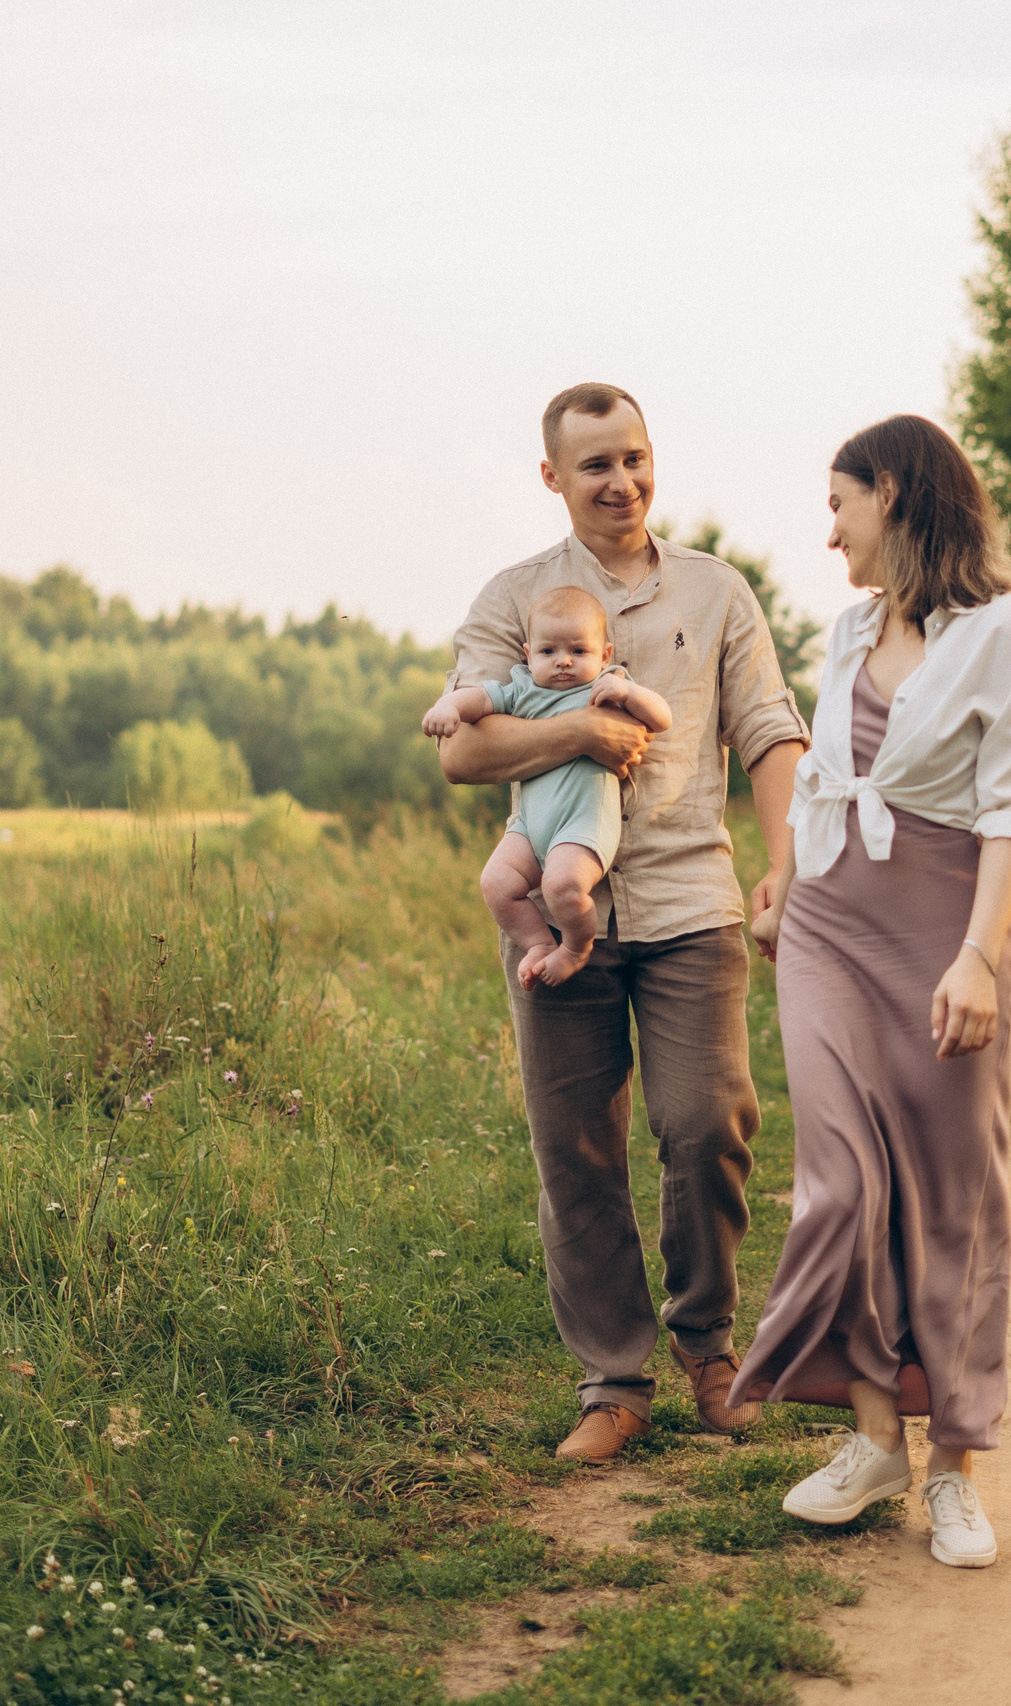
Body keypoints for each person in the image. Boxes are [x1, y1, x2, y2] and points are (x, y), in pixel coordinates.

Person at [437, 382, 809, 1464]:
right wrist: (581, 737)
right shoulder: (515, 600)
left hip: (692, 897)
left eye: (635, 457)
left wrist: (783, 864)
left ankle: (711, 1348)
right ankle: (613, 1382)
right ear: (554, 477)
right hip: (565, 909)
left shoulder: (717, 590)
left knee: (707, 1121)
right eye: (595, 463)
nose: (622, 481)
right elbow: (462, 751)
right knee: (577, 1151)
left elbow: (771, 732)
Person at [732, 413, 1011, 1570]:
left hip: (941, 928)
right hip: (825, 920)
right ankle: (873, 1434)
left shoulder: (1007, 634)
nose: (828, 533)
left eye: (840, 505)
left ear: (897, 496)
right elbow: (825, 775)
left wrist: (977, 954)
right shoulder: (842, 632)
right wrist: (778, 883)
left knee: (951, 1194)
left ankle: (953, 1468)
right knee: (838, 1180)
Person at [423, 585, 674, 988]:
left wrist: (630, 692)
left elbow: (662, 718)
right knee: (497, 883)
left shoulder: (606, 685)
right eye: (548, 652)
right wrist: (448, 707)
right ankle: (539, 944)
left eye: (578, 651)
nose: (563, 662)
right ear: (527, 654)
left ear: (604, 655)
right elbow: (479, 698)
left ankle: (576, 948)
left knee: (563, 885)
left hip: (582, 823)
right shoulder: (522, 689)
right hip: (529, 826)